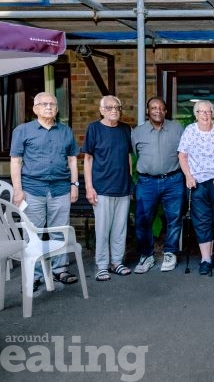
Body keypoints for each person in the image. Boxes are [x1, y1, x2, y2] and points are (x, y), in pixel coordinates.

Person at [9, 92, 80, 290]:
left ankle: (60, 270)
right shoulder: (22, 130)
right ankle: (35, 275)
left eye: (53, 104)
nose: (49, 107)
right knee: (33, 234)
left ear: (57, 109)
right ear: (35, 108)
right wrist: (18, 190)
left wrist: (74, 185)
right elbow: (16, 161)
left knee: (60, 231)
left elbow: (73, 160)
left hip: (61, 188)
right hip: (32, 189)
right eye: (44, 104)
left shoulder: (65, 131)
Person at [83, 95, 134, 282]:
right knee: (103, 230)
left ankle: (117, 262)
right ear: (102, 109)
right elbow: (87, 159)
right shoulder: (94, 129)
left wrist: (130, 183)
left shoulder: (125, 129)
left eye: (118, 107)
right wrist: (89, 187)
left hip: (122, 187)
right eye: (110, 107)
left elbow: (128, 157)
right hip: (102, 188)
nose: (115, 110)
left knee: (120, 229)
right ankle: (102, 265)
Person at [132, 97, 185, 274]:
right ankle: (147, 255)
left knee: (174, 218)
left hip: (173, 180)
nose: (158, 111)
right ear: (148, 111)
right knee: (142, 220)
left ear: (166, 111)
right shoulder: (137, 132)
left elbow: (184, 154)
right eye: (154, 108)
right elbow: (132, 155)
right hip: (147, 182)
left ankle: (170, 252)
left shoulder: (177, 129)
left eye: (161, 108)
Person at [178, 100, 214, 276]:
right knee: (202, 219)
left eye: (208, 111)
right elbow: (182, 156)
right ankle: (205, 259)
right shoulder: (190, 131)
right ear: (195, 114)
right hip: (196, 181)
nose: (205, 115)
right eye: (201, 112)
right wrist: (188, 176)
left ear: (212, 113)